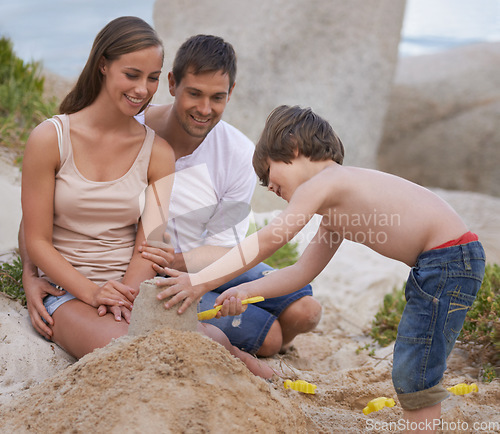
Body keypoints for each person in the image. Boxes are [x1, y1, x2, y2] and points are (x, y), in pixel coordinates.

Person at [154, 105, 486, 432]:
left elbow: (271, 239)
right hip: (442, 262)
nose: (269, 187)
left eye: (269, 174)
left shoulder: (327, 181)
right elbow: (300, 273)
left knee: (417, 362)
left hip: (447, 259)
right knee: (416, 357)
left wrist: (201, 281)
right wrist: (242, 289)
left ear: (294, 149)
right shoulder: (334, 212)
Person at [19, 17, 272, 379]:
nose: (142, 89)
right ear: (103, 65)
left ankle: (256, 367)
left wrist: (126, 296)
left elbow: (149, 244)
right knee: (131, 358)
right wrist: (89, 292)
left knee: (211, 351)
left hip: (132, 289)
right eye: (132, 74)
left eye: (151, 78)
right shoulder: (49, 138)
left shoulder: (158, 153)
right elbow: (37, 237)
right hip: (70, 290)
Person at [136, 35, 322, 357]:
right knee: (270, 338)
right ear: (172, 83)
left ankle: (278, 348)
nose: (204, 109)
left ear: (231, 93)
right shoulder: (132, 130)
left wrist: (181, 265)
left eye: (217, 97)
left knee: (306, 310)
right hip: (149, 271)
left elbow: (223, 246)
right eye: (194, 93)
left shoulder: (238, 153)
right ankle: (270, 344)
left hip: (203, 258)